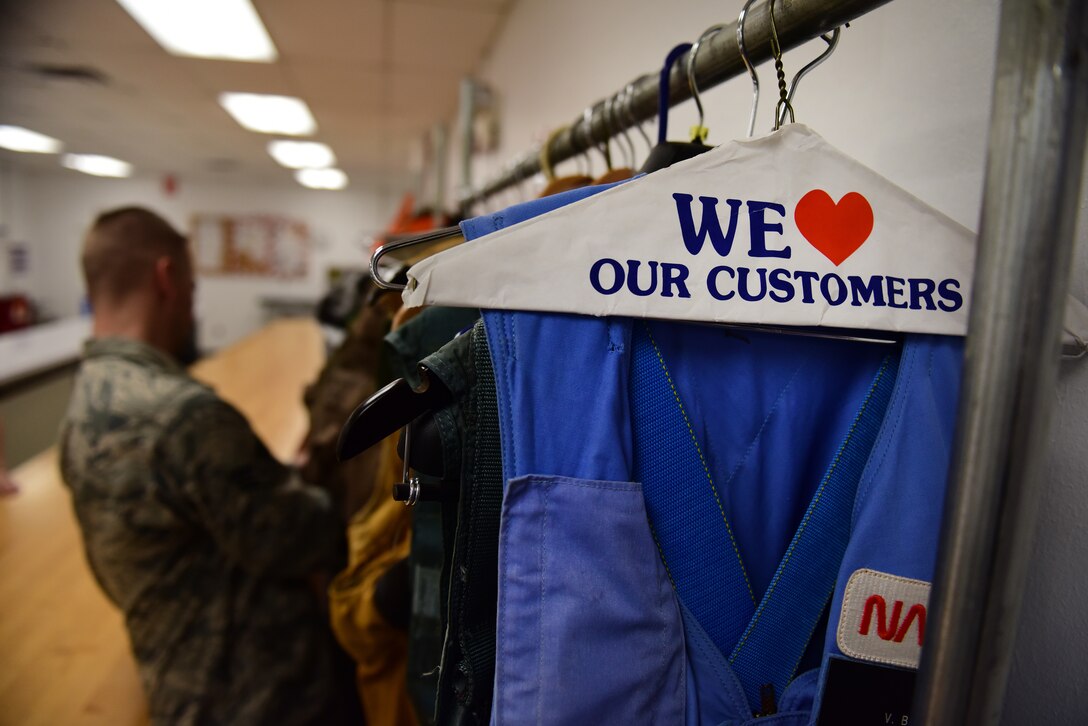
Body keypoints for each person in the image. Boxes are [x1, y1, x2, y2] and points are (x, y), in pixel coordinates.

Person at [59, 207, 354, 725]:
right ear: (166, 277)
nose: (192, 306)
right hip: (264, 697)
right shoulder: (187, 419)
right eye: (194, 289)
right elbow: (306, 536)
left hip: (173, 683)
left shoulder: (84, 404)